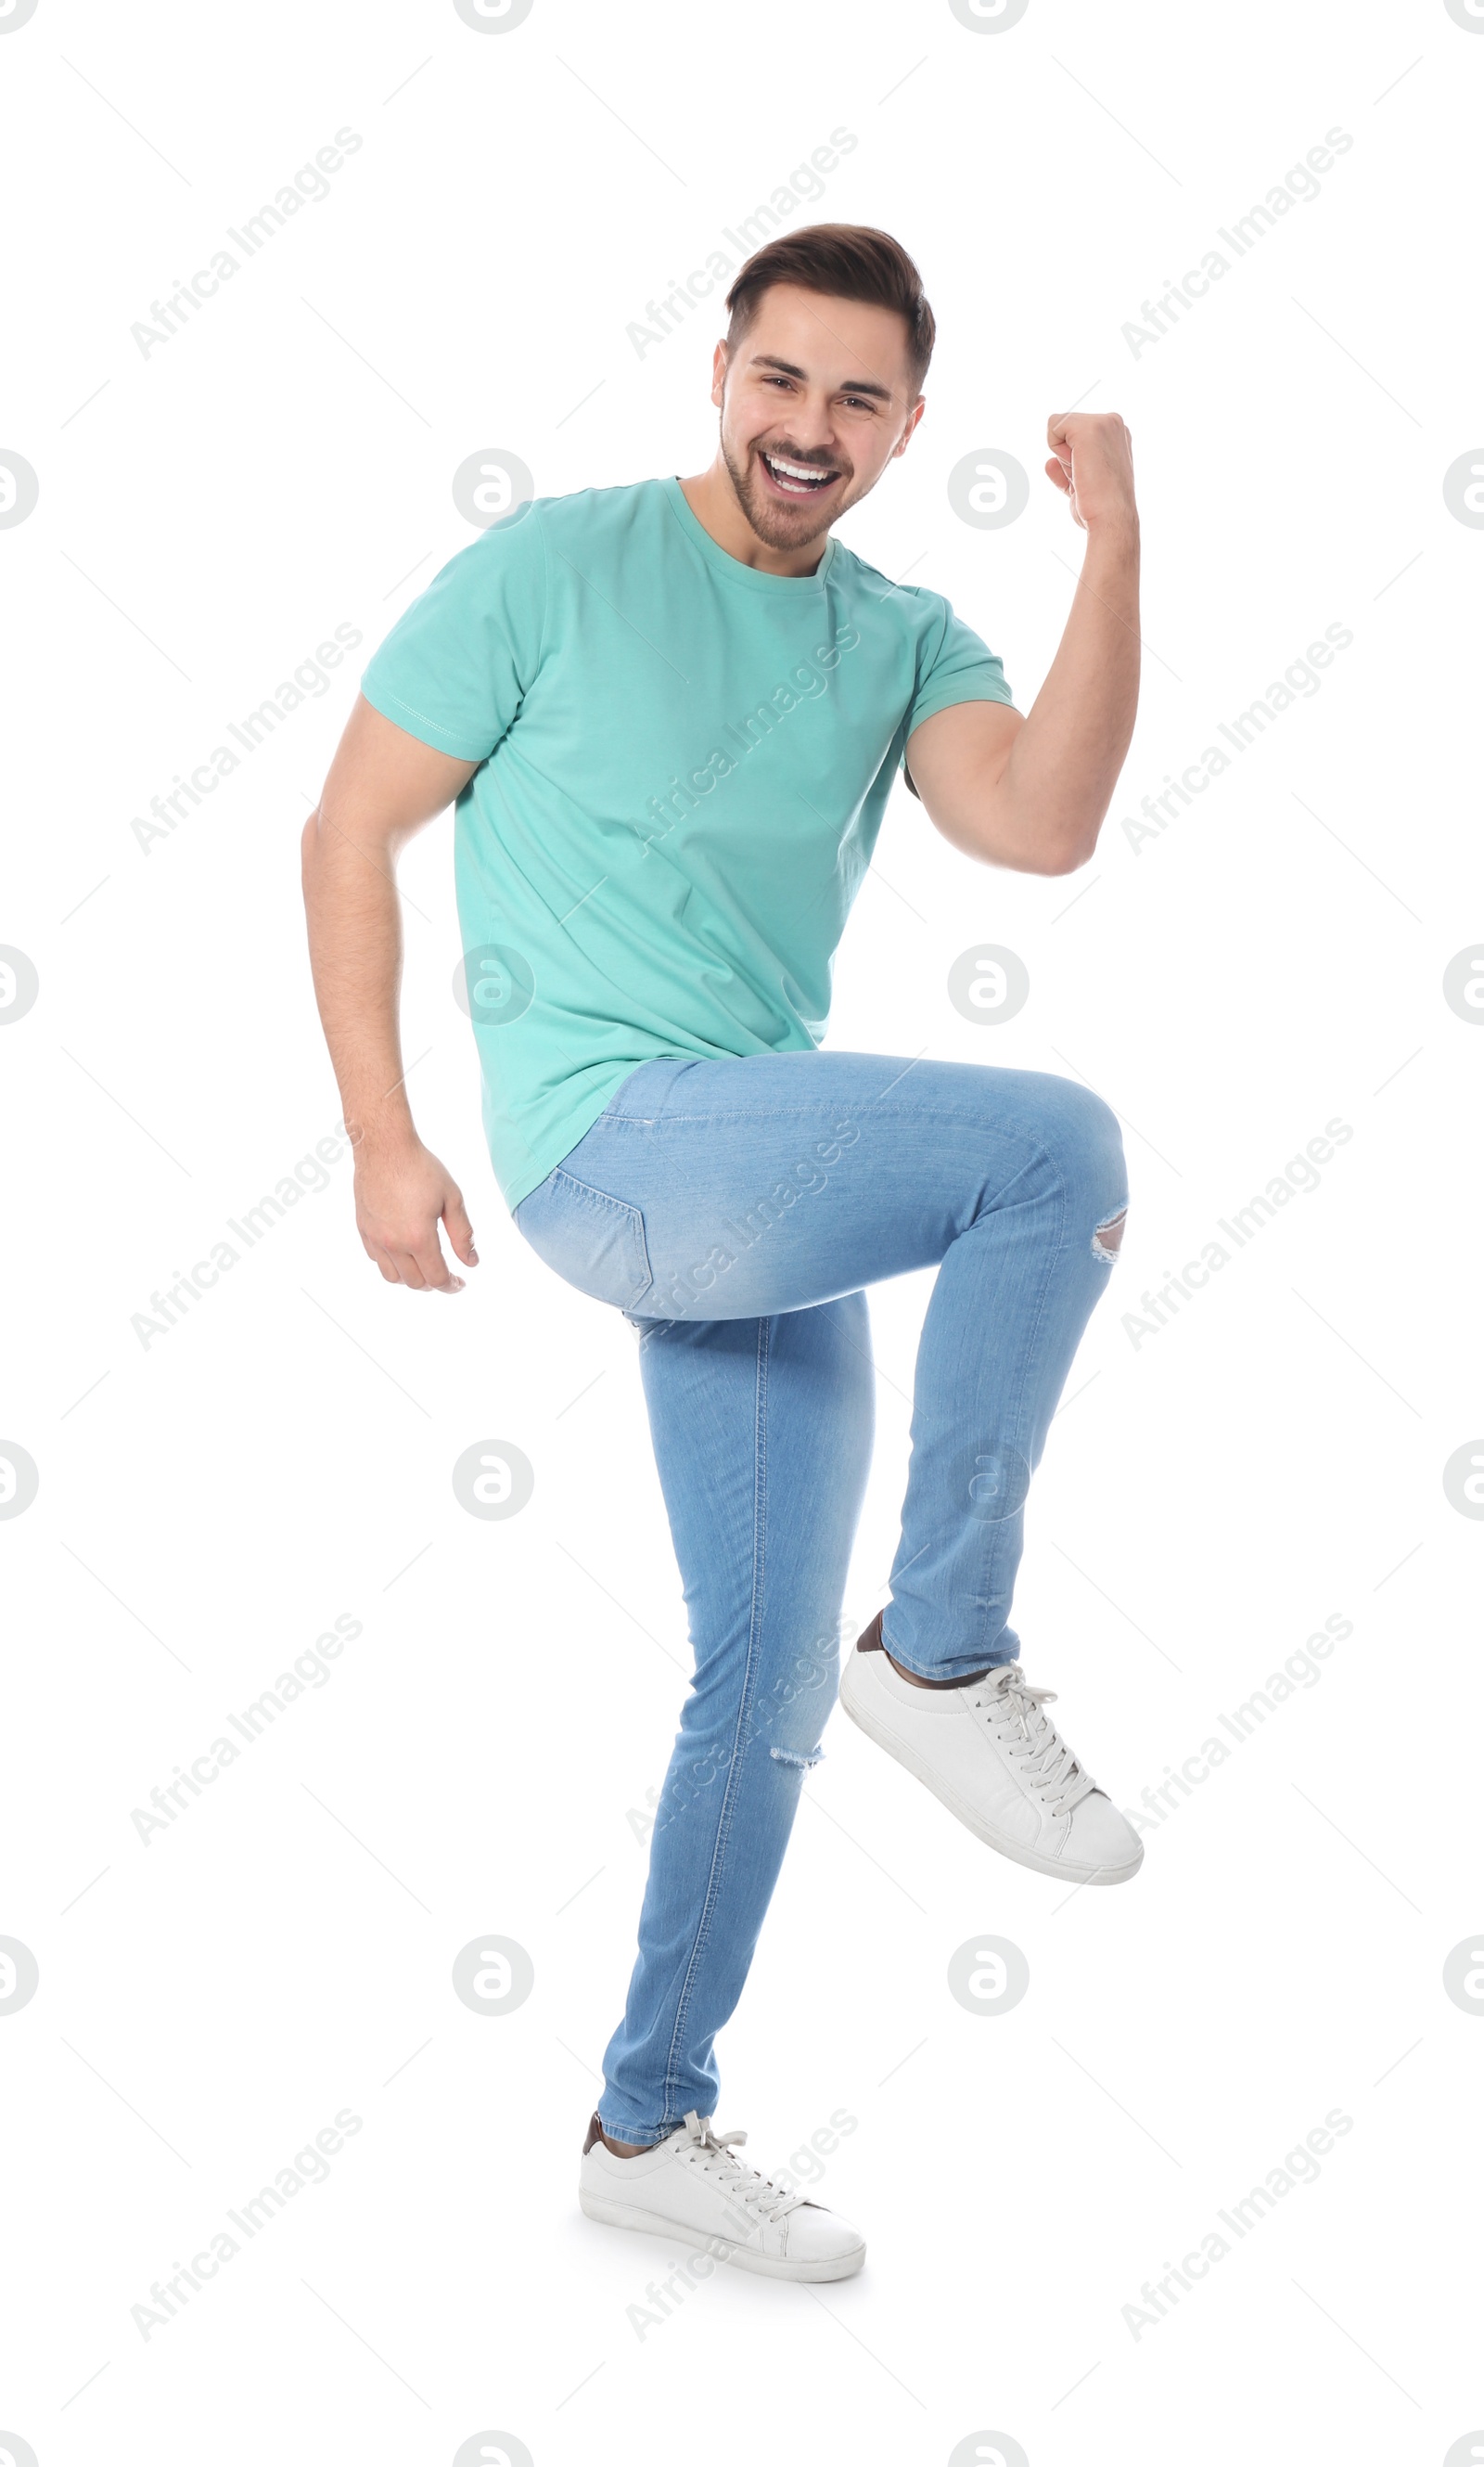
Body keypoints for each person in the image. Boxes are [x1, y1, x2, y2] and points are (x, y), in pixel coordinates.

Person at [301, 223, 1144, 2284]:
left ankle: (645, 2119)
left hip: (761, 1184)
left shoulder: (898, 632)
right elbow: (346, 826)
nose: (810, 428)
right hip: (620, 1144)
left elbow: (1036, 825)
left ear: (903, 429)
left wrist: (1111, 546)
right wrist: (382, 1132)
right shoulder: (554, 567)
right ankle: (939, 1651)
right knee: (1052, 1147)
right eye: (782, 381)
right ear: (719, 374)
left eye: (858, 399)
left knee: (753, 1684)